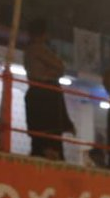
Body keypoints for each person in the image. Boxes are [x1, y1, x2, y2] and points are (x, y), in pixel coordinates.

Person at [23, 18, 74, 160]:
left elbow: (58, 68)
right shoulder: (38, 49)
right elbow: (60, 67)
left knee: (43, 137)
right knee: (48, 137)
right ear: (44, 33)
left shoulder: (31, 50)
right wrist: (52, 72)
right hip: (44, 94)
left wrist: (50, 71)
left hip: (42, 92)